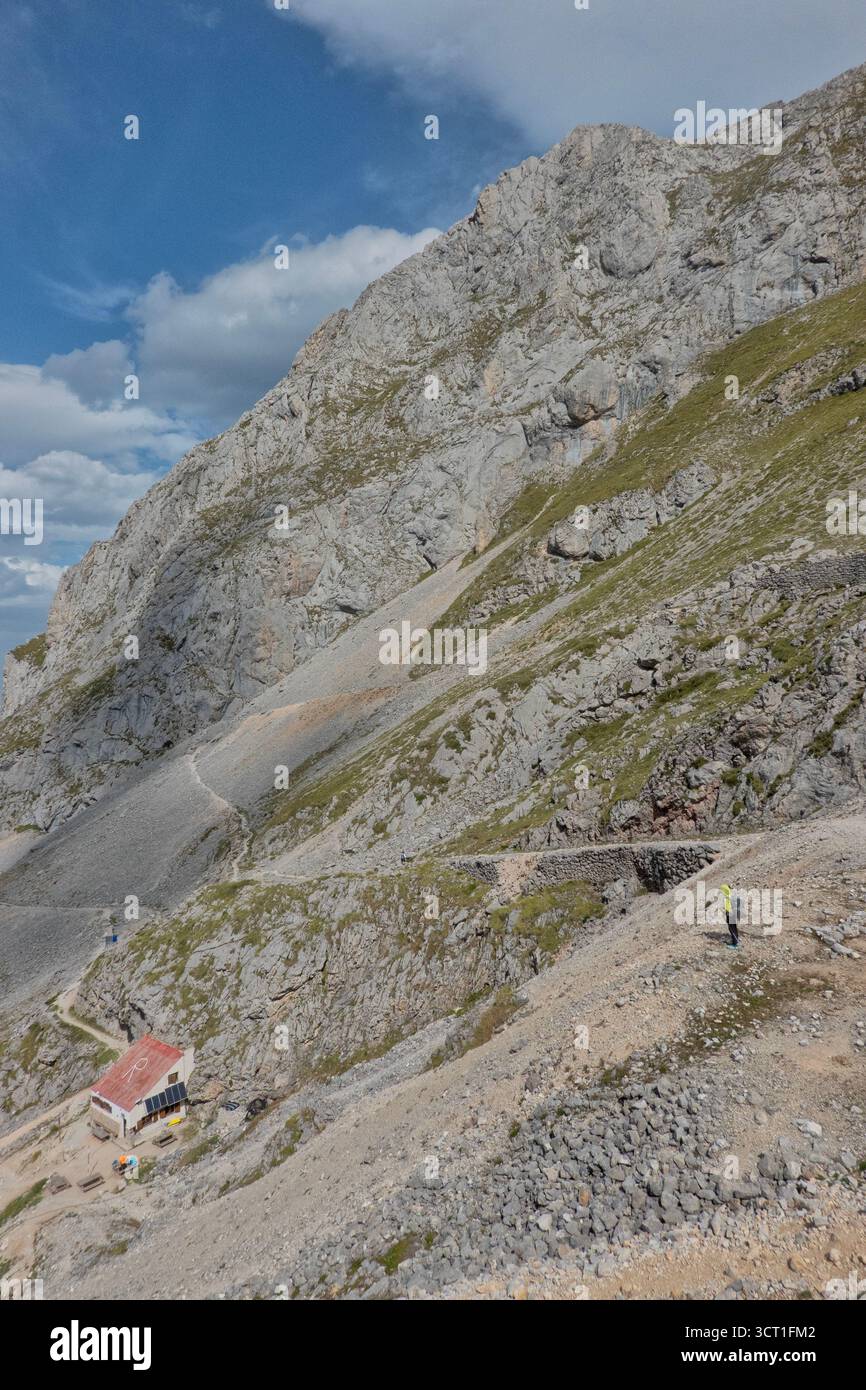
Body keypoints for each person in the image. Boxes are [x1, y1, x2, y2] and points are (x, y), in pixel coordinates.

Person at [720, 883, 741, 948]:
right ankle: (735, 940)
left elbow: (723, 886)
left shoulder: (728, 894)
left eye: (722, 891)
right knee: (733, 927)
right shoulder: (731, 894)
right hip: (732, 913)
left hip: (730, 913)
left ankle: (736, 944)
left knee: (731, 928)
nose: (722, 892)